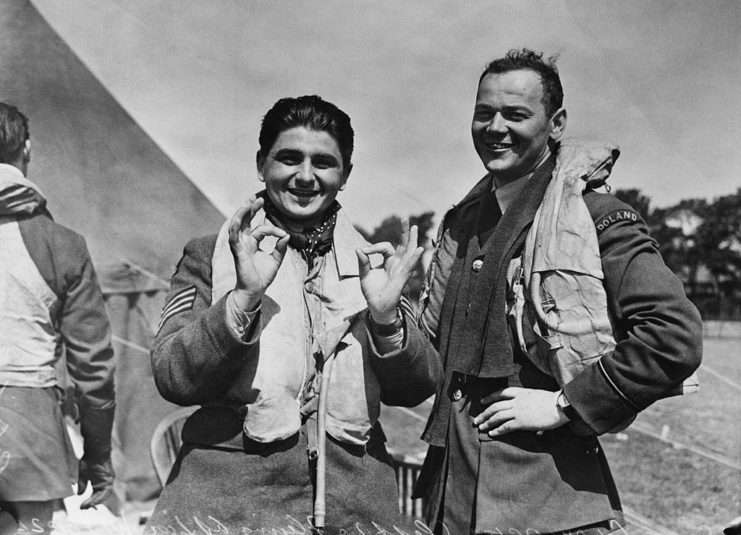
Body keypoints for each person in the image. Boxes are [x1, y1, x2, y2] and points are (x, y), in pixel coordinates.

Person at [387, 49, 702, 534]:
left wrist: (564, 405)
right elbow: (425, 369)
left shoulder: (594, 217)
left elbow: (673, 335)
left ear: (556, 124)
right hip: (449, 496)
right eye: (483, 113)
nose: (495, 127)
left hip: (549, 501)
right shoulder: (462, 226)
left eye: (515, 114)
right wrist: (386, 316)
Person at [146, 95, 440, 534]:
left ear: (345, 175)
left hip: (354, 509)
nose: (305, 177)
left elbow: (418, 385)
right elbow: (173, 376)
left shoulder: (371, 265)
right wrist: (243, 299)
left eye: (323, 162)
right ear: (262, 163)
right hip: (232, 509)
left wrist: (385, 318)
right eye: (288, 158)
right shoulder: (211, 254)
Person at [0, 102, 116, 534]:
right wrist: (99, 458)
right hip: (26, 424)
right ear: (26, 148)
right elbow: (93, 370)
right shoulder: (61, 244)